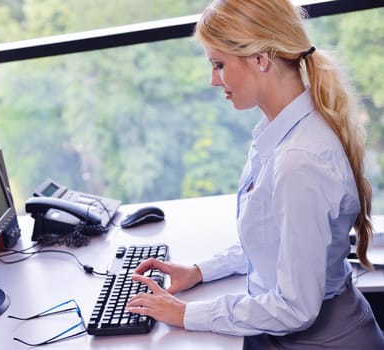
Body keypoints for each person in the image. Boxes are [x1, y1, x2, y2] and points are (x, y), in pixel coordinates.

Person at [126, 0, 384, 348]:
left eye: (219, 65)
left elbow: (296, 308)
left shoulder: (298, 162)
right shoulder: (279, 132)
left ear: (261, 59)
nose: (213, 80)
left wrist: (188, 314)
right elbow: (273, 238)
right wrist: (200, 271)